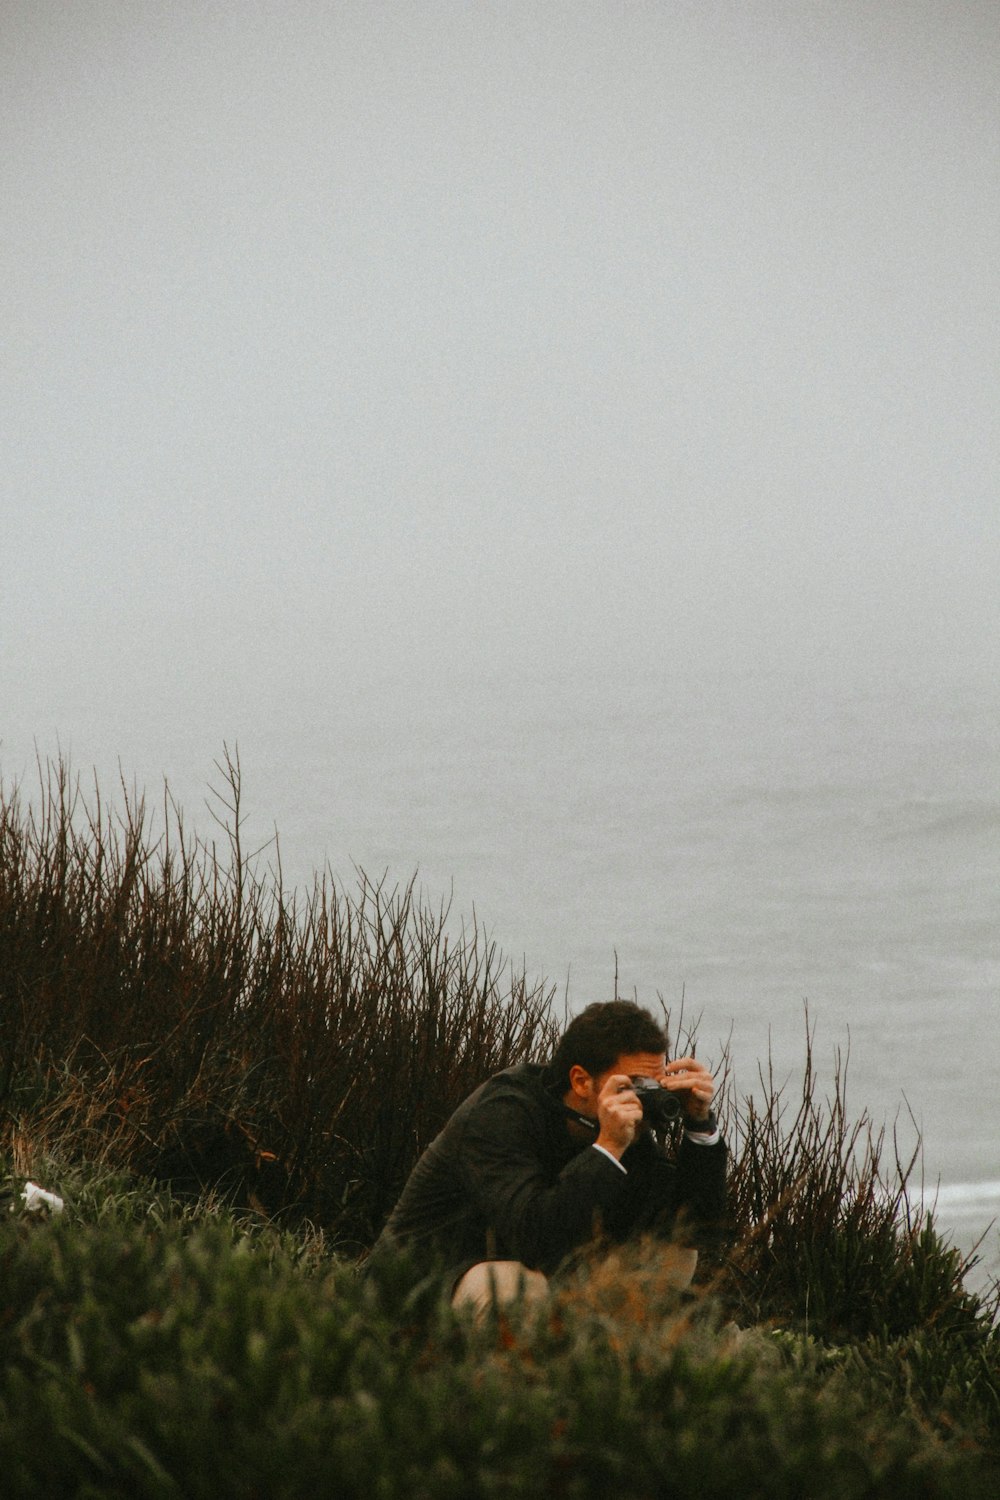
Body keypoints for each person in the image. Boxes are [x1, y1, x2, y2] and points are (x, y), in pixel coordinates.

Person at [369, 1000, 727, 1314]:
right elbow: (535, 1237)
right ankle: (489, 1386)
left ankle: (597, 1365)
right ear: (581, 1081)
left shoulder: (620, 1125)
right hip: (419, 1284)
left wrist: (699, 1126)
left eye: (653, 1085)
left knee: (673, 1253)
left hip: (531, 1276)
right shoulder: (502, 1113)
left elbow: (694, 1228)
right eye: (634, 1084)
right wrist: (607, 1149)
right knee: (514, 1288)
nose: (642, 1099)